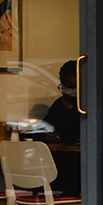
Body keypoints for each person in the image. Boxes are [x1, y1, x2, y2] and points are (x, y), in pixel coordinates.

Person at [31, 60, 81, 194]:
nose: (67, 92)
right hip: (60, 165)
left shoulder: (86, 108)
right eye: (64, 87)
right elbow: (44, 128)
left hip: (78, 166)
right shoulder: (59, 105)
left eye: (72, 88)